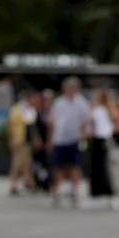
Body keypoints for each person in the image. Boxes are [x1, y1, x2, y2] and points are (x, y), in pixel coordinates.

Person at [49, 78, 91, 208]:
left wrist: (83, 135)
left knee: (75, 166)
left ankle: (75, 191)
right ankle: (58, 190)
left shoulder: (82, 103)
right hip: (60, 139)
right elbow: (53, 121)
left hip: (74, 139)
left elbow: (86, 121)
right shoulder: (59, 103)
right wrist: (51, 138)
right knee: (59, 166)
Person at [7, 90, 38, 196]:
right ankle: (14, 185)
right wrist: (13, 139)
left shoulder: (32, 110)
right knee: (17, 163)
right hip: (19, 140)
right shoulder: (18, 109)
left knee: (26, 163)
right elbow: (12, 125)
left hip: (27, 141)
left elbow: (31, 126)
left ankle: (29, 182)